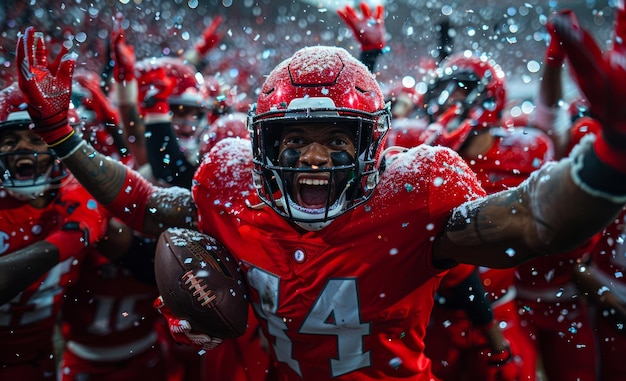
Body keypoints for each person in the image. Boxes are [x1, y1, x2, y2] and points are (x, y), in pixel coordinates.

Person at [14, 5, 626, 379]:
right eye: (293, 141)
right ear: (261, 148)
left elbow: (532, 224)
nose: (311, 157)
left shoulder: (416, 195)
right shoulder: (230, 188)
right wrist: (64, 139)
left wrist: (607, 166)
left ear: (372, 147)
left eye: (336, 139)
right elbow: (147, 205)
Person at [0, 83, 109, 380]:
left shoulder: (76, 197)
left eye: (34, 137)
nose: (21, 149)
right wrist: (66, 241)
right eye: (9, 139)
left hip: (40, 362)